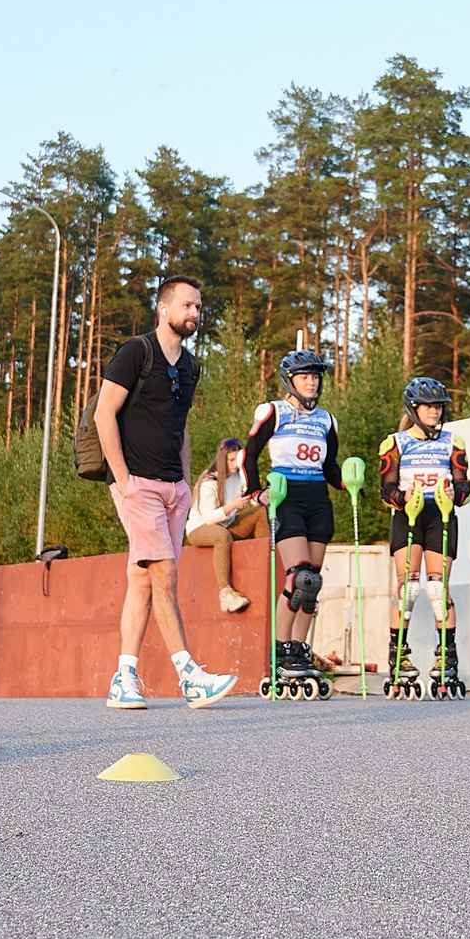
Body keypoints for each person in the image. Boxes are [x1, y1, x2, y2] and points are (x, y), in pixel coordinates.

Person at [94, 278, 238, 711]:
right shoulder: (135, 353)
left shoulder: (190, 366)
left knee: (141, 581)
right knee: (164, 576)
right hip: (137, 484)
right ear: (163, 308)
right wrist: (122, 480)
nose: (195, 313)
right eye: (187, 305)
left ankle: (124, 677)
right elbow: (104, 414)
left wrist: (187, 486)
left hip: (173, 490)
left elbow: (181, 428)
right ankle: (189, 675)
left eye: (199, 306)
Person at [244, 350, 344, 697]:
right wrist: (256, 493)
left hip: (318, 498)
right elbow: (249, 453)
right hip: (286, 495)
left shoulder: (326, 420)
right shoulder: (274, 411)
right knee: (298, 576)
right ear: (290, 380)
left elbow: (331, 467)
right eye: (305, 376)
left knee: (312, 582)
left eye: (316, 376)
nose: (312, 382)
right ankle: (280, 650)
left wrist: (351, 483)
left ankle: (299, 651)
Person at [376, 377, 470, 698]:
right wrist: (402, 499)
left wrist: (454, 493)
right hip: (409, 516)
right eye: (429, 406)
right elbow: (385, 489)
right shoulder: (396, 442)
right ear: (414, 409)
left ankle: (447, 656)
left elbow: (464, 487)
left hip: (440, 515)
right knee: (408, 587)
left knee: (437, 587)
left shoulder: (452, 442)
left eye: (439, 406)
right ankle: (399, 655)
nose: (435, 411)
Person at [183, 438, 262, 612]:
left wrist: (260, 497)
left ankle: (264, 563)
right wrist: (231, 506)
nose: (235, 464)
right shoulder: (209, 480)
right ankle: (225, 592)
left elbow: (253, 501)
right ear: (222, 459)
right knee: (221, 536)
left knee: (263, 512)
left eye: (237, 459)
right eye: (231, 460)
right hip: (201, 528)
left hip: (227, 524)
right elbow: (210, 517)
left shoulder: (238, 476)